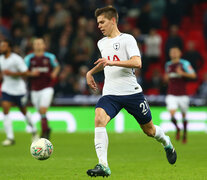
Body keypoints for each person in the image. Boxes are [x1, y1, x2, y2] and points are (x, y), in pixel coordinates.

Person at [86, 6, 177, 178]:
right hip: (111, 94)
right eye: (98, 23)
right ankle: (103, 165)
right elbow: (105, 62)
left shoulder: (128, 39)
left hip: (132, 93)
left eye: (102, 22)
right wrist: (90, 72)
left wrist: (113, 63)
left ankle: (167, 142)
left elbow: (137, 63)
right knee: (99, 119)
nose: (99, 26)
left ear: (113, 20)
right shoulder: (101, 42)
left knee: (149, 131)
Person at [0, 39, 38, 146]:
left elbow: (26, 73)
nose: (1, 48)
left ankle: (34, 130)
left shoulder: (16, 59)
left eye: (3, 46)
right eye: (1, 46)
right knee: (5, 111)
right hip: (6, 89)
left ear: (9, 48)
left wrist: (11, 73)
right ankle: (10, 138)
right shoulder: (1, 59)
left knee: (23, 111)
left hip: (19, 90)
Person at [24, 38, 60, 140]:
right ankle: (47, 128)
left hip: (47, 88)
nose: (38, 45)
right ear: (33, 46)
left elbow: (57, 67)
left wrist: (54, 73)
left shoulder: (50, 57)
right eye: (36, 43)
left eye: (40, 43)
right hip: (34, 89)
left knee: (43, 110)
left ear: (44, 45)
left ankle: (44, 132)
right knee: (40, 112)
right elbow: (24, 71)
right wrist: (31, 73)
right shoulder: (29, 58)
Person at [164, 46, 196, 144]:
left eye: (175, 52)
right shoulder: (168, 65)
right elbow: (166, 80)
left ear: (179, 53)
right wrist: (165, 78)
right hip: (171, 94)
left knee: (184, 116)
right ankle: (178, 128)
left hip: (183, 94)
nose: (173, 53)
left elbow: (193, 75)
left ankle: (185, 133)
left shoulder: (184, 64)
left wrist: (182, 73)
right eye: (172, 52)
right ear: (169, 54)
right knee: (172, 115)